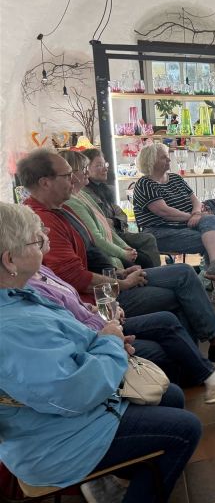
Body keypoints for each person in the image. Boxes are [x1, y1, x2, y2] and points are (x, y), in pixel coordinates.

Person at [0, 202, 202, 501]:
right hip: (54, 441)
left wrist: (112, 342)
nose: (45, 244)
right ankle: (137, 477)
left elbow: (72, 336)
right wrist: (111, 345)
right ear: (10, 259)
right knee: (187, 428)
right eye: (36, 240)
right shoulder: (12, 325)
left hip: (61, 418)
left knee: (171, 394)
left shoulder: (20, 294)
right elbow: (73, 394)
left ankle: (138, 470)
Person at [16, 149, 215, 364]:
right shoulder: (43, 219)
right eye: (68, 174)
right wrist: (121, 281)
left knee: (186, 271)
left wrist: (122, 270)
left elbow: (93, 248)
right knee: (176, 290)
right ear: (45, 182)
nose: (78, 177)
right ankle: (200, 359)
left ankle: (213, 345)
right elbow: (73, 274)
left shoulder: (62, 209)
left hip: (110, 278)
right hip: (97, 297)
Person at [22, 215, 215, 402]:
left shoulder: (42, 271)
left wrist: (112, 283)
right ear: (12, 256)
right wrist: (111, 315)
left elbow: (75, 303)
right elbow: (70, 321)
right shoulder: (29, 286)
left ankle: (208, 362)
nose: (47, 232)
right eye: (38, 233)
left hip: (104, 310)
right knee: (172, 302)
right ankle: (207, 367)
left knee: (182, 280)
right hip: (99, 328)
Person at [132, 143, 215, 305]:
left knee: (212, 220)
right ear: (151, 160)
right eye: (164, 156)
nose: (169, 159)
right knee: (211, 241)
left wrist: (197, 213)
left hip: (185, 225)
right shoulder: (145, 183)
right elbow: (164, 211)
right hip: (159, 232)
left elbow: (195, 200)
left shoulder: (175, 178)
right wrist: (191, 217)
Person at [81, 148, 161, 268]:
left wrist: (114, 221)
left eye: (105, 164)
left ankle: (154, 272)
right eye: (99, 165)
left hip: (117, 232)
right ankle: (156, 275)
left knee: (148, 239)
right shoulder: (85, 193)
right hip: (109, 237)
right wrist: (111, 221)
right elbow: (100, 222)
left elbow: (121, 214)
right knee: (147, 242)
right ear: (86, 169)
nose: (105, 168)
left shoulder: (104, 189)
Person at [60, 150, 137, 270]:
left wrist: (124, 247)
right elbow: (95, 237)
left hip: (111, 249)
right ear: (70, 174)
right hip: (105, 259)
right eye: (83, 169)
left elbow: (106, 223)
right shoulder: (71, 201)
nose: (87, 172)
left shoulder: (82, 194)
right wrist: (123, 252)